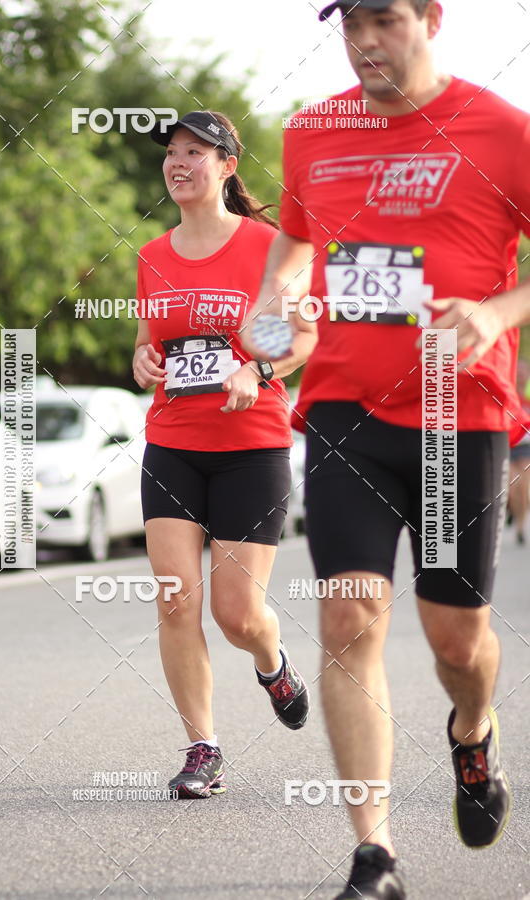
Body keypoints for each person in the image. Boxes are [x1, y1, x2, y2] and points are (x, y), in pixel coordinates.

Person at [242, 1, 530, 896]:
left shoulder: (505, 129)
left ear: (430, 19)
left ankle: (473, 732)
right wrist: (277, 297)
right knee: (347, 617)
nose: (365, 42)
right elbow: (293, 238)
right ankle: (376, 853)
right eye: (351, 24)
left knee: (455, 639)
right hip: (344, 410)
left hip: (455, 414)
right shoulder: (311, 131)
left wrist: (495, 311)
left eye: (385, 21)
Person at [133, 111, 316, 799]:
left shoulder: (271, 248)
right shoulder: (153, 254)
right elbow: (151, 342)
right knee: (177, 599)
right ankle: (202, 747)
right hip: (173, 442)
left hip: (251, 447)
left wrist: (258, 373)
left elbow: (301, 340)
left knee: (236, 612)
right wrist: (143, 359)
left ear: (228, 166)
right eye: (172, 153)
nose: (179, 163)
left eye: (196, 152)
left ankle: (272, 663)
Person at [509, 359, 530, 544]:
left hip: (526, 447)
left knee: (523, 487)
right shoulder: (509, 393)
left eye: (524, 371)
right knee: (512, 488)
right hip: (509, 446)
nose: (521, 375)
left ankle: (520, 527)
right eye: (518, 372)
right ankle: (512, 511)